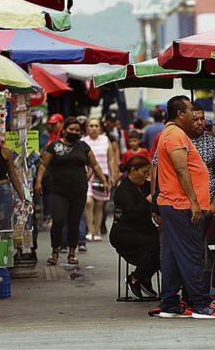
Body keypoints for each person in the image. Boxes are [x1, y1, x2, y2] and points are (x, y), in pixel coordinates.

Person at [154, 96, 215, 319]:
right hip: (180, 204)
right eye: (190, 112)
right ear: (180, 114)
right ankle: (201, 305)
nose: (195, 116)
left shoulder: (171, 134)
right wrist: (195, 202)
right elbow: (181, 170)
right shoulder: (175, 135)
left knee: (172, 255)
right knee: (191, 255)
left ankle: (169, 303)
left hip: (174, 203)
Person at [35, 117, 110, 266]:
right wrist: (38, 181)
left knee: (74, 221)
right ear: (64, 130)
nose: (74, 132)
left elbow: (94, 164)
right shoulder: (54, 146)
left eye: (77, 130)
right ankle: (55, 251)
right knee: (58, 220)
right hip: (59, 191)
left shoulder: (83, 147)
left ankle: (72, 253)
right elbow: (43, 165)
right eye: (71, 130)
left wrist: (104, 180)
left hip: (79, 191)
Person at [110, 155, 159, 300]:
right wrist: (149, 199)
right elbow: (133, 213)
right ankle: (134, 278)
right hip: (124, 233)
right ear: (133, 170)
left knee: (164, 244)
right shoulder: (123, 190)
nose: (146, 176)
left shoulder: (143, 186)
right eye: (144, 173)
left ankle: (144, 277)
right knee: (154, 245)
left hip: (142, 230)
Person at [82, 118, 117, 242]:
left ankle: (96, 231)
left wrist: (113, 175)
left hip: (103, 176)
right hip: (87, 176)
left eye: (96, 126)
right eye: (91, 126)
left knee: (99, 204)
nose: (94, 128)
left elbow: (111, 159)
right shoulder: (83, 141)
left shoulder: (105, 140)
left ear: (100, 128)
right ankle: (89, 231)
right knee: (88, 202)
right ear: (87, 128)